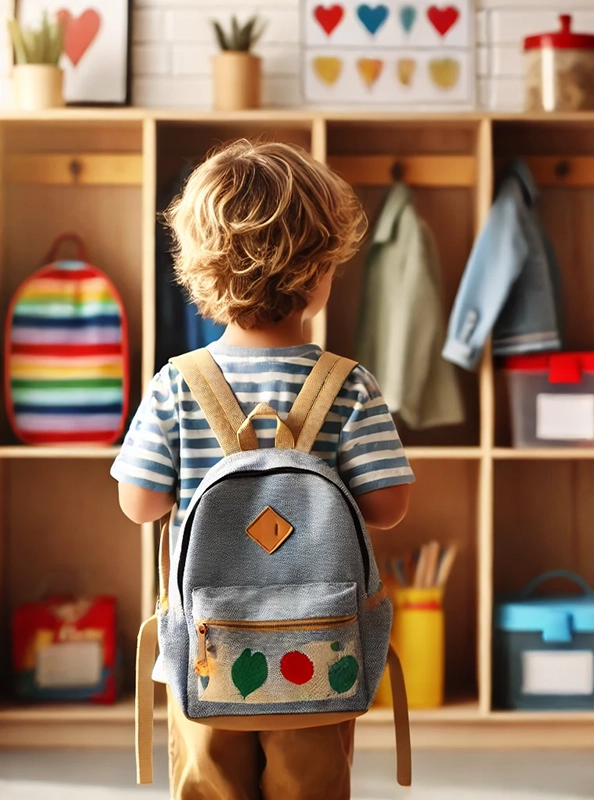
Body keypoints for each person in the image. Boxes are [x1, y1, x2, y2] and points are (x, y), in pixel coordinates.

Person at [111, 139, 414, 800]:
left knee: (211, 787)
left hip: (206, 648)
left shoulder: (175, 385)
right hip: (320, 653)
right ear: (320, 273)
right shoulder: (349, 386)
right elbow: (389, 507)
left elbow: (138, 503)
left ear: (199, 273)